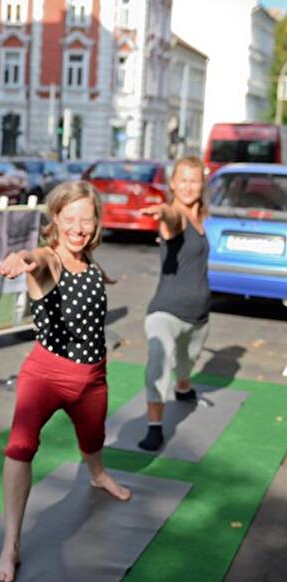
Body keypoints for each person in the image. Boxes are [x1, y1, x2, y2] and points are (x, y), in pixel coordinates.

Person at [0, 180, 131, 582]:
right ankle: (10, 545)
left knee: (93, 437)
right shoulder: (49, 260)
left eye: (86, 219)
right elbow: (37, 260)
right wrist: (22, 259)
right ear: (55, 220)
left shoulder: (90, 263)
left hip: (92, 377)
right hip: (46, 375)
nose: (78, 227)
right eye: (70, 219)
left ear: (96, 224)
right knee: (20, 446)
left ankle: (98, 473)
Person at [137, 156, 210, 452]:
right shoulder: (176, 217)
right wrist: (164, 211)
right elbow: (170, 221)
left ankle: (183, 388)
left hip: (200, 315)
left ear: (202, 183)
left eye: (194, 180)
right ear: (172, 184)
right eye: (183, 180)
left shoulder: (202, 218)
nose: (189, 186)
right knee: (160, 357)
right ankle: (155, 427)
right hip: (165, 311)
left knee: (187, 361)